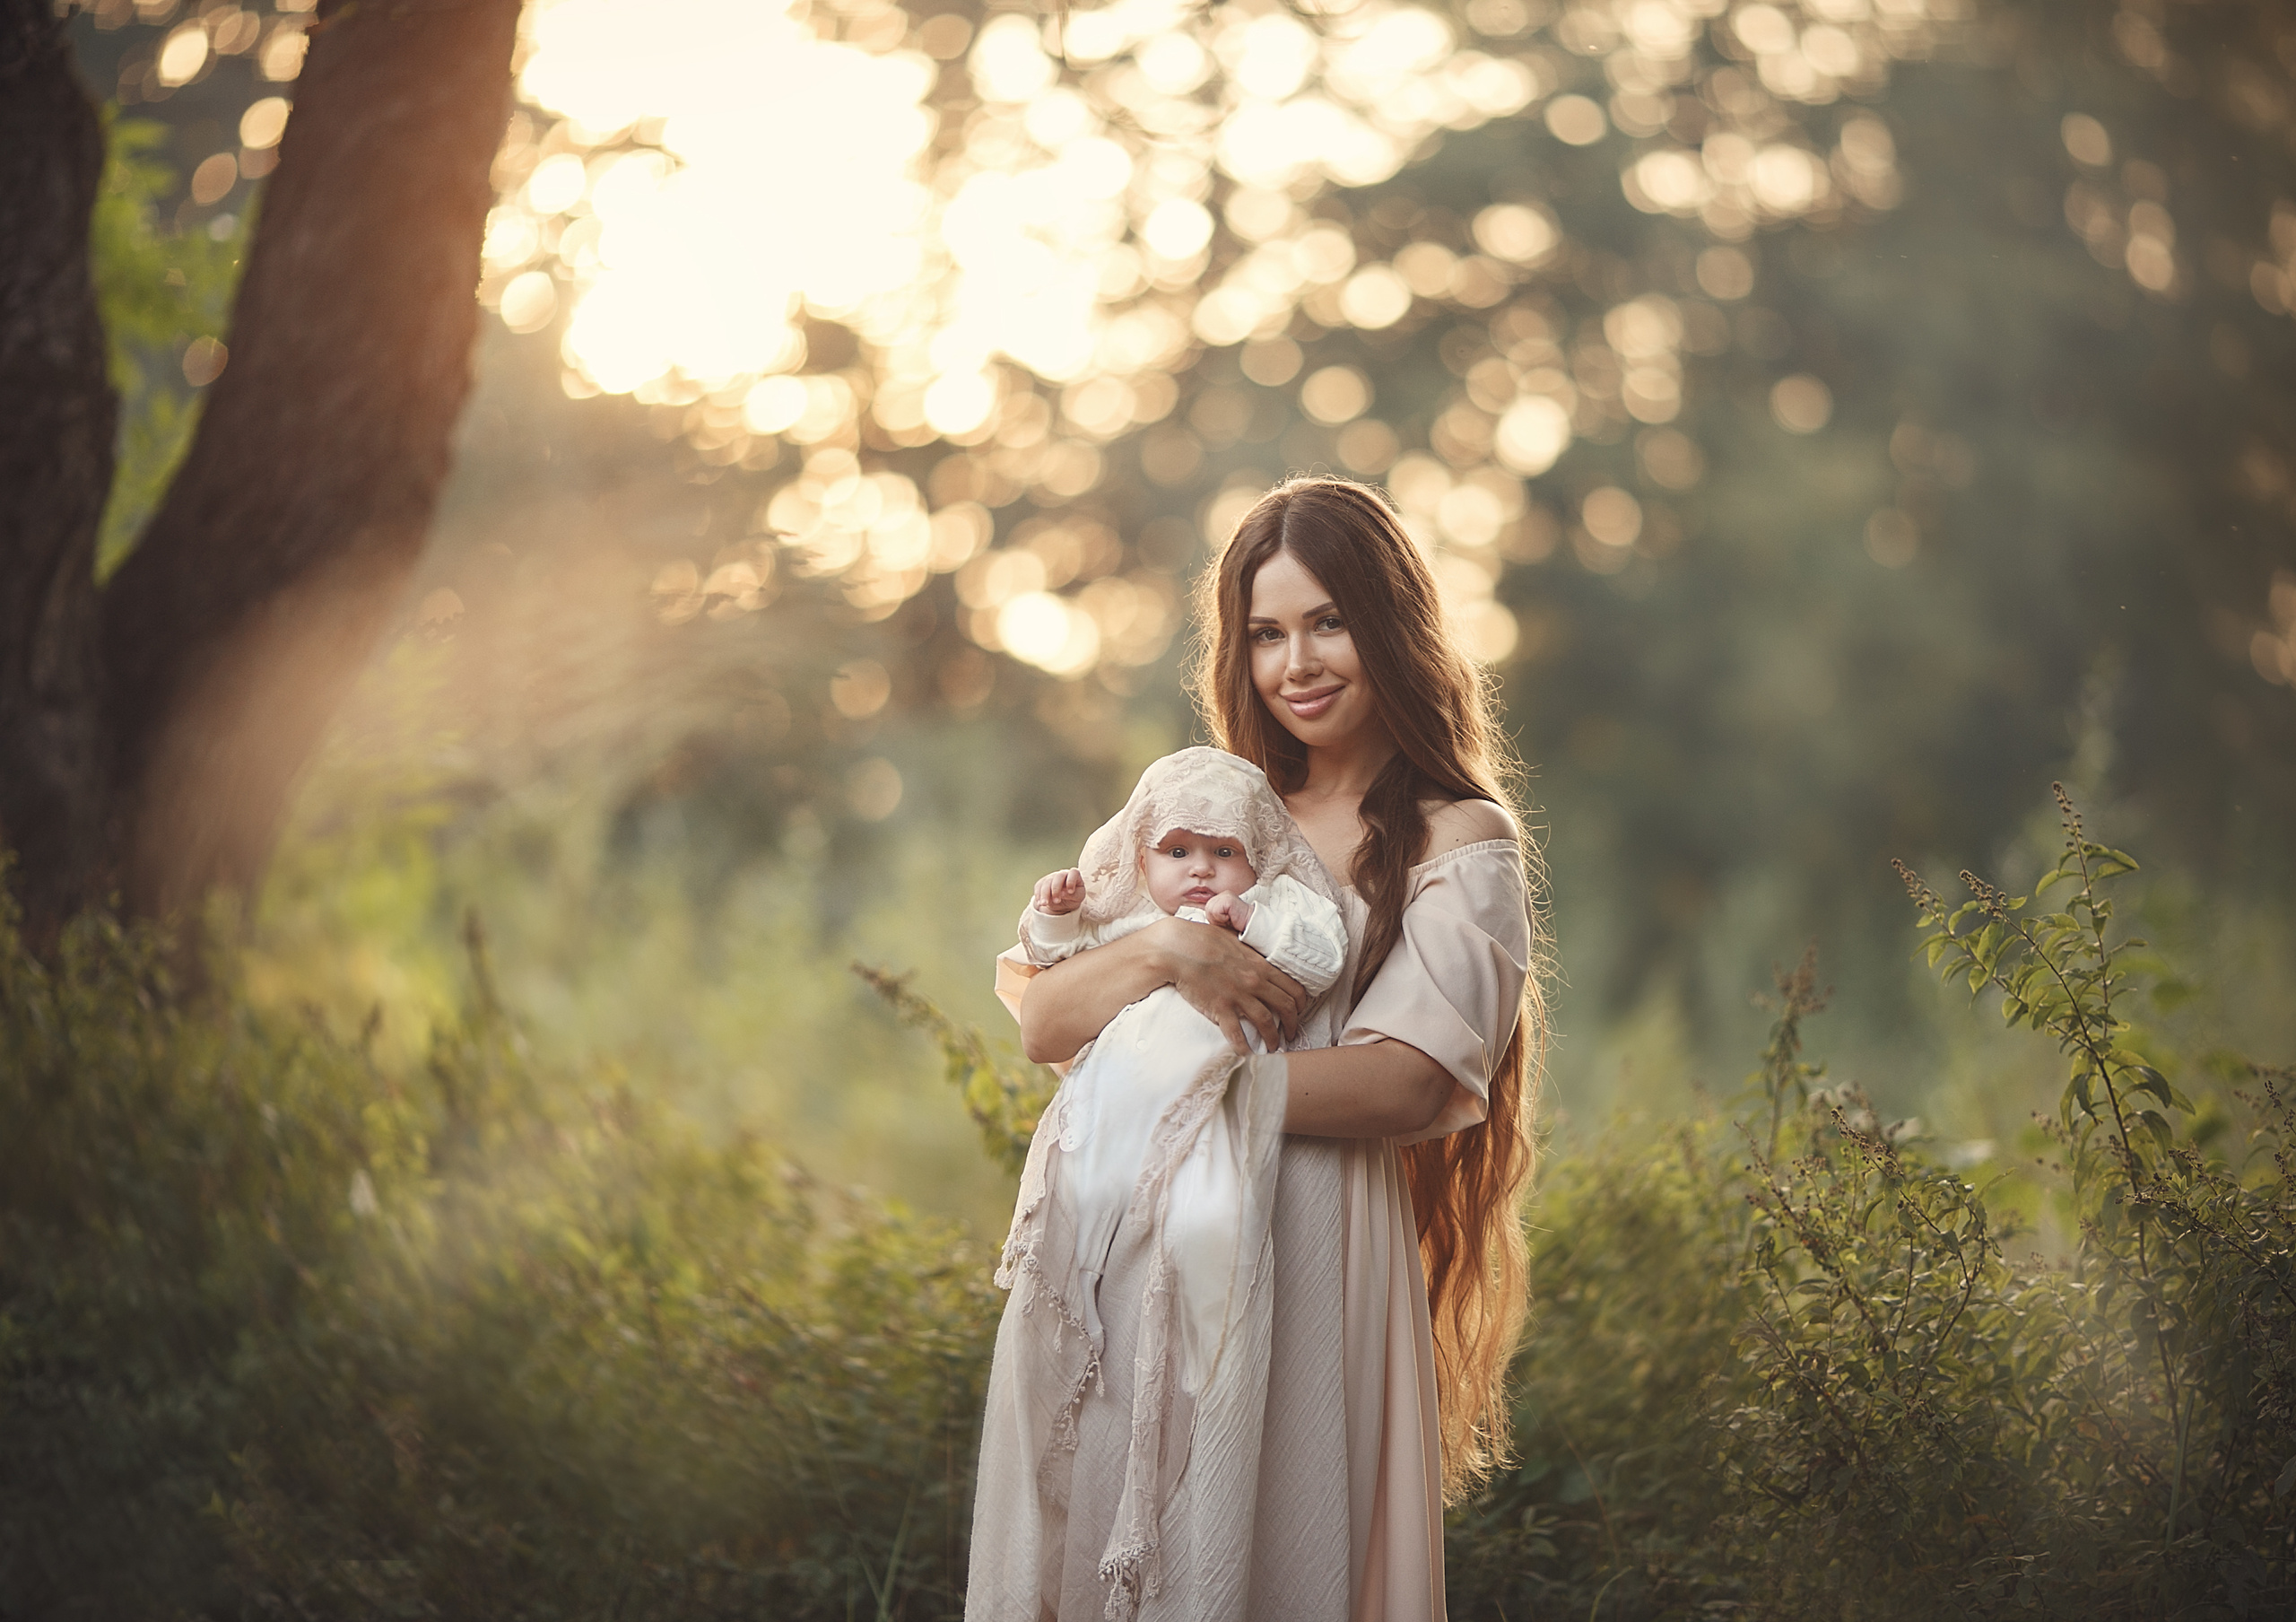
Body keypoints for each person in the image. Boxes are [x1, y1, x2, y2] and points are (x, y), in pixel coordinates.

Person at [968, 477, 1545, 1622]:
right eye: (1267, 633)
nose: (1297, 663)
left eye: (1328, 621)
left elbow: (1412, 1076)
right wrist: (1169, 953)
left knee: (1276, 1552)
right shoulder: (1209, 820)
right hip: (1139, 1244)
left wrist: (1189, 1092)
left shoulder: (1454, 838)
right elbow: (1044, 1019)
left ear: (1392, 624)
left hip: (1316, 1241)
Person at [1009, 746, 1349, 1395]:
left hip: (1210, 1118)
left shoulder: (1278, 903)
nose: (1202, 869)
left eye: (1225, 853)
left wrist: (1255, 922)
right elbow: (1061, 962)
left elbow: (1322, 956)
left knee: (1202, 1225)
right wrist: (1055, 915)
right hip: (1114, 1112)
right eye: (1178, 852)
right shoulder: (1132, 920)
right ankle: (1078, 1314)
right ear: (1142, 860)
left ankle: (1204, 1350)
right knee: (1087, 1214)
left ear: (1258, 858)